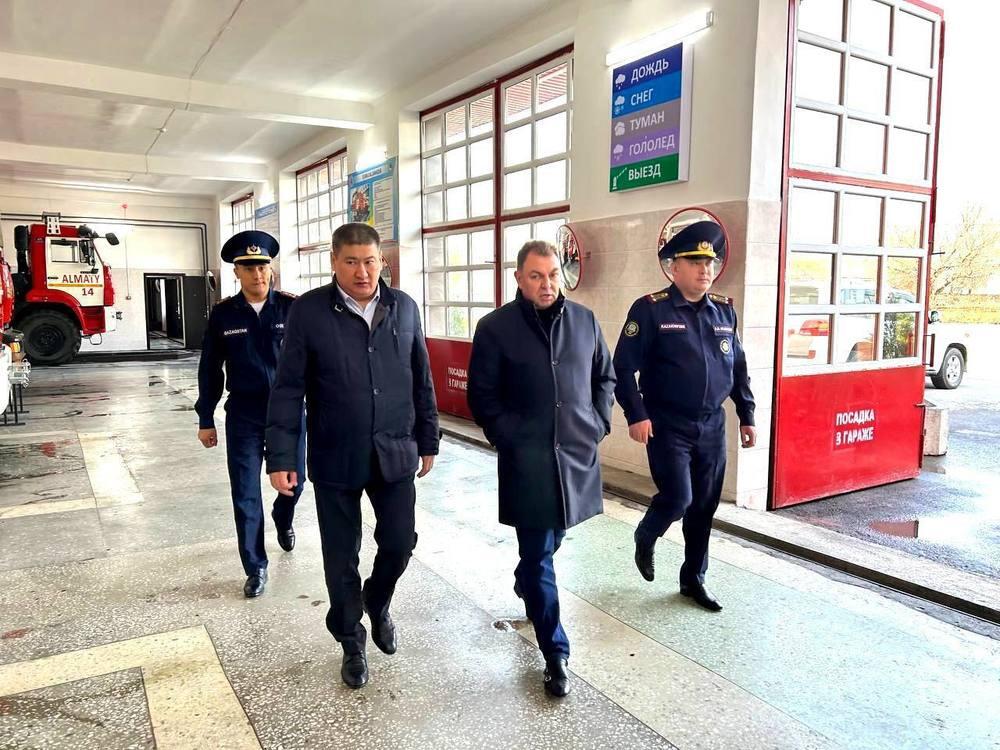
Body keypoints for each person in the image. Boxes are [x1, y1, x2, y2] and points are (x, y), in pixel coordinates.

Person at [266, 222, 439, 689]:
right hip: (335, 453)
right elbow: (288, 388)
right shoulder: (309, 312)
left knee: (399, 542)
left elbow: (421, 377)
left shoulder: (404, 307)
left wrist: (428, 438)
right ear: (334, 262)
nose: (362, 272)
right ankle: (350, 640)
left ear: (382, 261)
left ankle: (377, 600)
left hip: (395, 449)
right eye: (351, 262)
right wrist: (281, 456)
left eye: (369, 261)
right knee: (341, 555)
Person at [468, 240, 615, 698]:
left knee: (552, 542)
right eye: (536, 276)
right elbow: (482, 396)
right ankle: (555, 653)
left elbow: (604, 377)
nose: (547, 284)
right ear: (518, 278)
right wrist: (509, 436)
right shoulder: (495, 328)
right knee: (539, 556)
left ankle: (525, 580)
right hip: (527, 461)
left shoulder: (585, 321)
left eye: (552, 274)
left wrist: (597, 424)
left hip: (575, 457)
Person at [612, 221, 756, 612]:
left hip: (711, 425)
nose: (705, 269)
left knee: (704, 507)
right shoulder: (651, 309)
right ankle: (647, 534)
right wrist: (636, 414)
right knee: (678, 497)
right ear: (674, 268)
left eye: (709, 262)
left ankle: (694, 578)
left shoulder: (724, 311)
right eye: (694, 262)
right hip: (667, 423)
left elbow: (738, 368)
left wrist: (747, 413)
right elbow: (622, 368)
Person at [195, 230, 305, 599]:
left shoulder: (292, 309)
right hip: (244, 414)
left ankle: (283, 517)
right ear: (237, 272)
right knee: (244, 492)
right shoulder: (224, 314)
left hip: (288, 415)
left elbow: (315, 363)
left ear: (271, 270)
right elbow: (210, 369)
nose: (257, 274)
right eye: (249, 268)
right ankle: (255, 566)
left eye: (262, 267)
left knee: (295, 484)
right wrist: (205, 417)